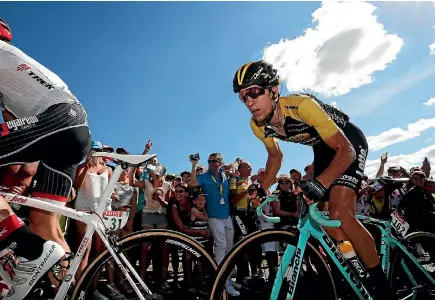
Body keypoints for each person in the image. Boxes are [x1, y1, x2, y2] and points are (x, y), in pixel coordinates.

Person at [233, 60, 393, 299]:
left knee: (340, 212)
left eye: (254, 91)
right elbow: (275, 157)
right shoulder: (258, 125)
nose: (249, 102)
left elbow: (346, 151)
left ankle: (382, 289)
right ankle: (357, 271)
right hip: (322, 149)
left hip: (347, 142)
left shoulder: (302, 106)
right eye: (243, 97)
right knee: (322, 216)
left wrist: (321, 183)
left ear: (274, 90)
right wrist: (263, 188)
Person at [0, 17, 91, 298]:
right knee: (45, 225)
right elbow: (12, 120)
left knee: (38, 240)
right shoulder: (14, 61)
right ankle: (70, 293)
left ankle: (27, 249)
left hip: (56, 119)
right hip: (75, 127)